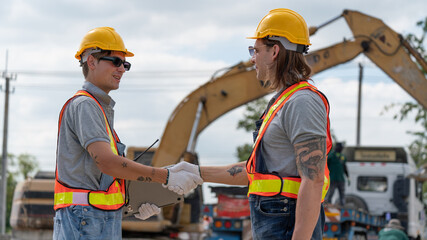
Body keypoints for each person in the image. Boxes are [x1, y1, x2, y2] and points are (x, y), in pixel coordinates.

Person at [142, 8, 332, 240]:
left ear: (275, 51)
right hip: (278, 219)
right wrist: (195, 173)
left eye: (256, 50)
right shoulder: (283, 101)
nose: (252, 58)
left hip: (286, 222)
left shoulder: (302, 101)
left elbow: (312, 180)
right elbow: (255, 173)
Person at [53, 27, 203, 240]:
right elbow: (107, 162)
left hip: (95, 218)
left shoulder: (98, 109)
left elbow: (102, 177)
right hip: (86, 219)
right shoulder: (85, 105)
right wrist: (165, 176)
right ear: (91, 61)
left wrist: (139, 200)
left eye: (125, 64)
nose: (122, 69)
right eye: (115, 61)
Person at [325, 142, 349, 206]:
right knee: (330, 193)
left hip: (341, 178)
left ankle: (342, 205)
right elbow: (325, 166)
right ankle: (328, 203)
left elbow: (344, 167)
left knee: (342, 193)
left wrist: (348, 177)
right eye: (340, 148)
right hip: (332, 178)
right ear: (337, 147)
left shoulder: (342, 156)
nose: (341, 149)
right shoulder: (330, 156)